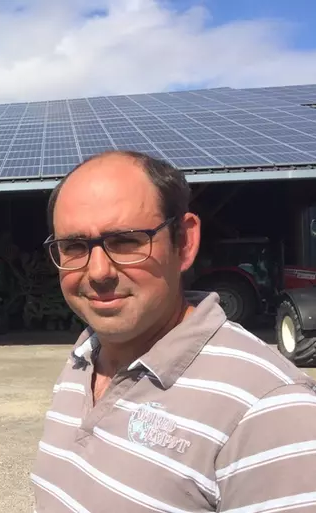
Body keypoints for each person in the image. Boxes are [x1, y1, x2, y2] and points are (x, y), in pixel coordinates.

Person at [31, 150, 316, 512]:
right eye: (74, 247)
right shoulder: (83, 359)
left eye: (126, 241)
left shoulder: (268, 409)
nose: (98, 271)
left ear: (184, 242)